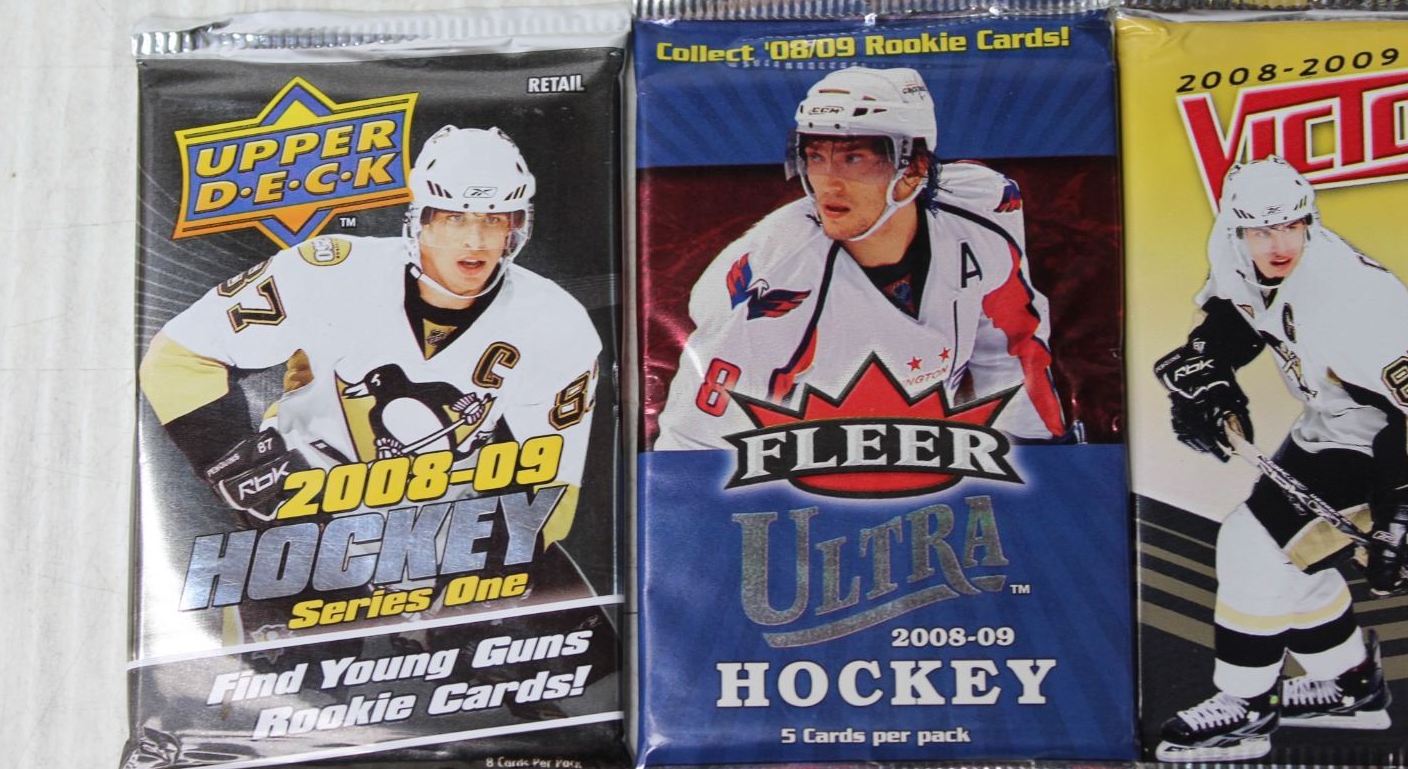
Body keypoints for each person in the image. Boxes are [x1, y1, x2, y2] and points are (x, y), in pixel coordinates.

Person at [1153, 156, 1408, 761]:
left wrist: (1402, 517)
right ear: (1237, 228)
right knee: (1285, 554)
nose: (1278, 244)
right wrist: (1209, 372)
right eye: (1261, 230)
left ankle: (1246, 707)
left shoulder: (1356, 301)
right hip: (1339, 415)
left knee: (1254, 548)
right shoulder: (1232, 248)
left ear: (1310, 221)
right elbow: (1235, 314)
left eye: (1291, 226)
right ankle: (1349, 686)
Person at [139, 125, 601, 545]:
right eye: (455, 218)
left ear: (516, 226)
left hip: (444, 534)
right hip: (306, 516)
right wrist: (240, 466)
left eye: (493, 219)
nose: (476, 241)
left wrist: (491, 553)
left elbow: (556, 487)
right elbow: (177, 358)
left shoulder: (559, 321)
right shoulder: (329, 270)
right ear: (421, 219)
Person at [655, 65, 1068, 451]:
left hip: (935, 457)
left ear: (913, 169)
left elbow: (1012, 345)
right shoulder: (780, 276)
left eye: (853, 159)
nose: (828, 184)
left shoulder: (982, 203)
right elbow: (697, 445)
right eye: (816, 157)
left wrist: (1036, 458)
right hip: (807, 477)